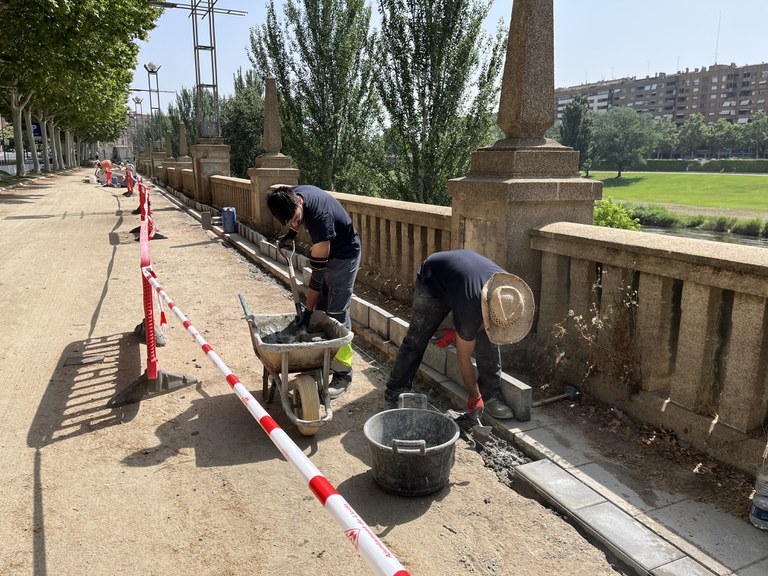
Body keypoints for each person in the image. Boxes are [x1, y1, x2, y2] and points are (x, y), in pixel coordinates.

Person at [384, 249, 534, 419]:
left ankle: (491, 395)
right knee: (416, 339)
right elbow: (464, 358)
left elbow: (482, 324)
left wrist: (458, 334)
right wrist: (474, 396)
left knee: (488, 339)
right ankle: (396, 391)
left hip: (463, 283)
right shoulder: (477, 302)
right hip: (433, 278)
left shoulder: (507, 293)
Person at [267, 185, 361, 399]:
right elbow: (294, 218)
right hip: (328, 250)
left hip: (345, 257)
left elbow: (316, 280)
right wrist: (291, 234)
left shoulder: (320, 219)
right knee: (322, 310)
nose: (294, 224)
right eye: (289, 222)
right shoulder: (290, 195)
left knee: (337, 314)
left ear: (300, 202)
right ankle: (321, 361)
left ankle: (343, 373)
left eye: (296, 219)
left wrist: (307, 311)